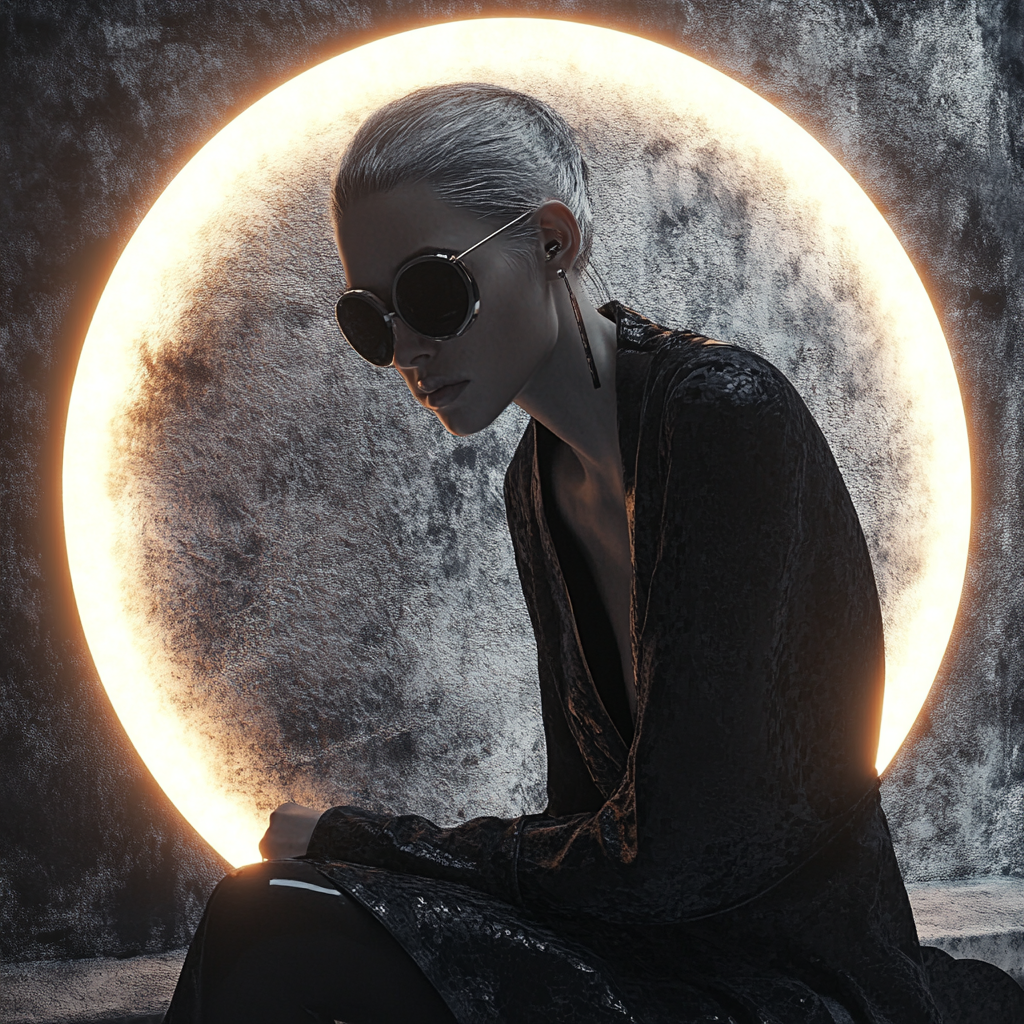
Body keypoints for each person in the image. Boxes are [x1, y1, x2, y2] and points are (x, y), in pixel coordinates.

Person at [165, 83, 1024, 1024]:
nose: (406, 348)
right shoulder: (536, 487)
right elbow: (586, 825)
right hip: (642, 949)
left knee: (280, 918)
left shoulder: (722, 415)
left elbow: (683, 857)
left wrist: (379, 842)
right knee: (268, 912)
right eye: (372, 318)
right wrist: (369, 855)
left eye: (430, 289)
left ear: (553, 242)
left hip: (792, 981)